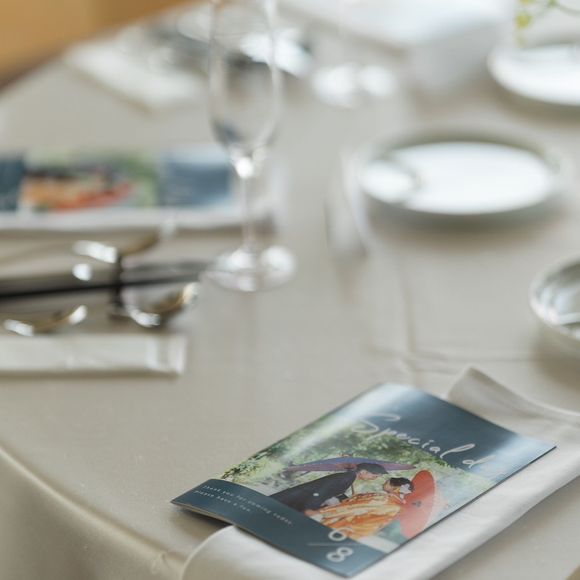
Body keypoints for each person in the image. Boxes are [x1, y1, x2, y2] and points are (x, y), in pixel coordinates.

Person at [312, 477, 415, 540]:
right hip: (362, 533)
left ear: (394, 487)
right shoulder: (399, 506)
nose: (383, 484)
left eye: (386, 482)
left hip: (345, 524)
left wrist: (322, 512)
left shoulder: (383, 498)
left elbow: (355, 508)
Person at [270, 463, 387, 513]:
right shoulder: (347, 477)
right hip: (299, 497)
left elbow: (329, 492)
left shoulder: (349, 477)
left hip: (300, 497)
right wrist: (309, 508)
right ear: (363, 472)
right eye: (374, 476)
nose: (374, 478)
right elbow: (321, 491)